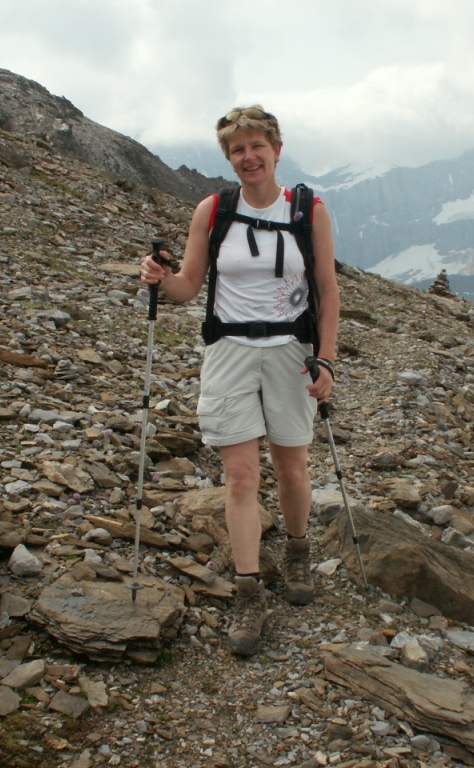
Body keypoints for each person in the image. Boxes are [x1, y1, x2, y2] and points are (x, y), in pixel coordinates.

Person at [140, 105, 340, 656]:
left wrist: (326, 360)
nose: (248, 157)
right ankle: (249, 591)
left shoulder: (309, 211)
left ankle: (296, 551)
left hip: (291, 352)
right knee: (240, 476)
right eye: (237, 150)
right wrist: (161, 277)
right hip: (229, 350)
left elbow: (327, 290)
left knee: (292, 468)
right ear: (229, 158)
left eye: (257, 147)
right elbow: (188, 286)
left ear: (276, 149)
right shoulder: (213, 210)